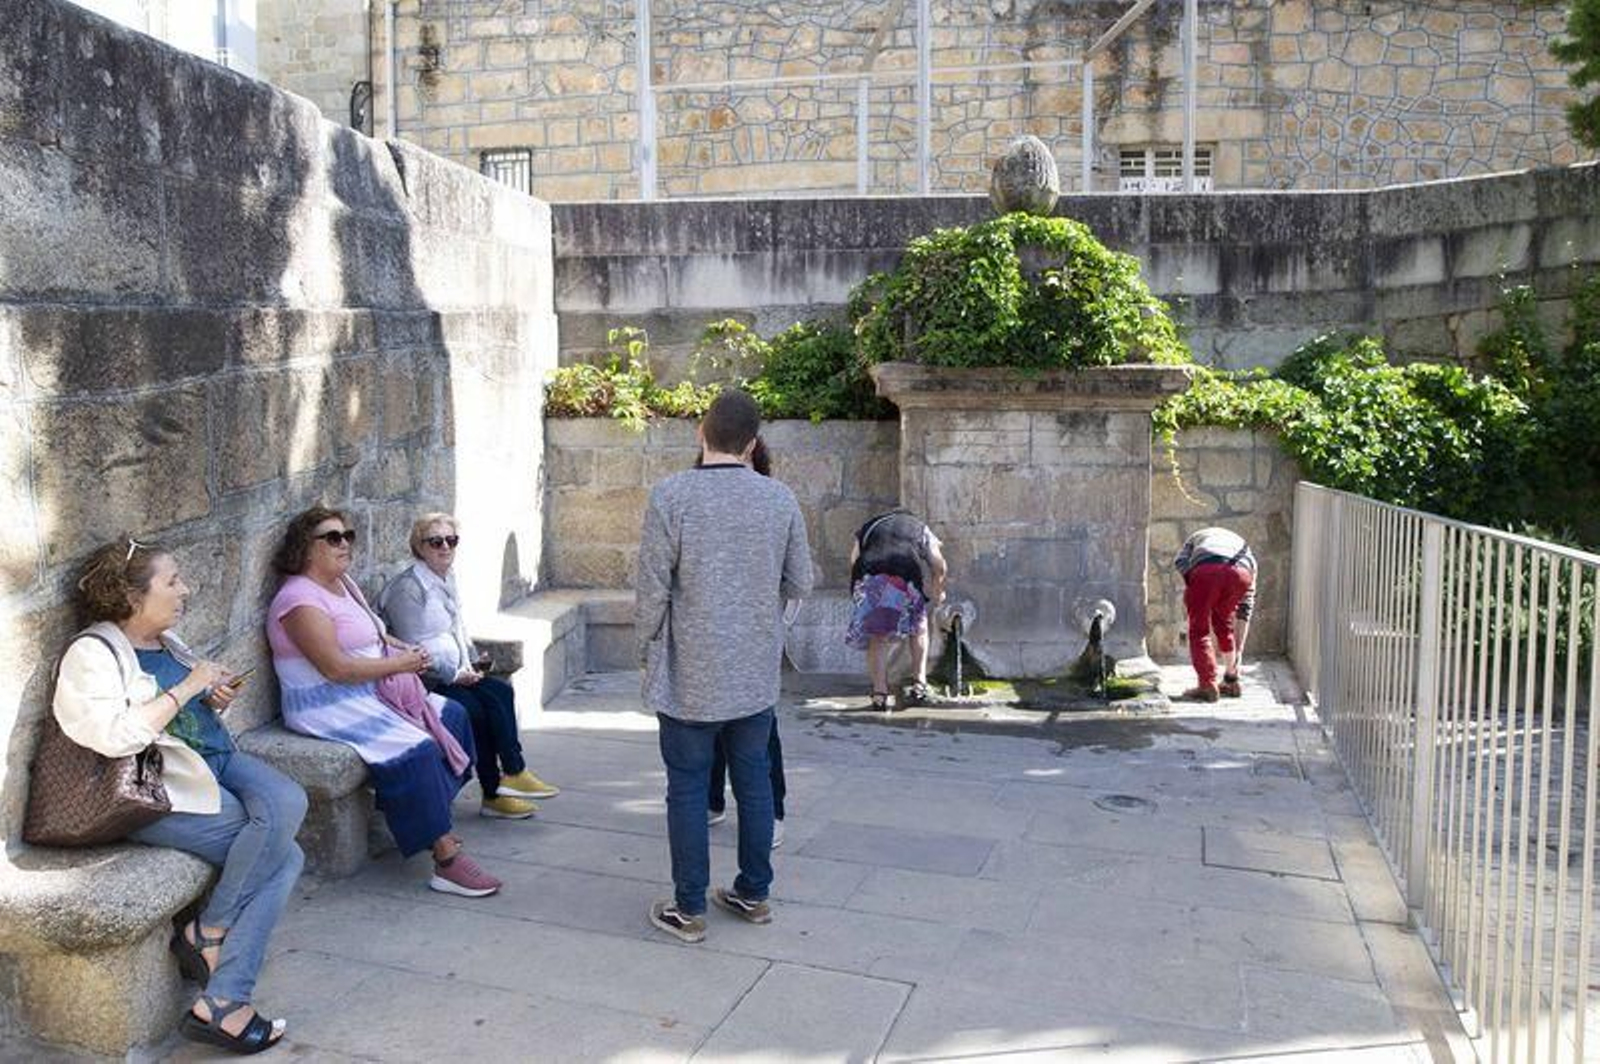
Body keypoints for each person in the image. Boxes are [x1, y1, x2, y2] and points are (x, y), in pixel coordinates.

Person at [52, 539, 304, 1054]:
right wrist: (189, 687)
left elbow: (191, 716)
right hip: (156, 791)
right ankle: (225, 1001)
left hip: (214, 763)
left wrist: (216, 697)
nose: (184, 590)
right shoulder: (91, 653)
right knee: (284, 855)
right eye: (172, 581)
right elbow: (112, 735)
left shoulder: (167, 641)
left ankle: (208, 929)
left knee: (289, 802)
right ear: (130, 596)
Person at [637, 390, 812, 943]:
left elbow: (651, 592)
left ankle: (689, 909)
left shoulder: (671, 496)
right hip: (755, 671)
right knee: (754, 782)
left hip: (690, 669)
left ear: (700, 434)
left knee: (687, 787)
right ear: (752, 444)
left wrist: (648, 649)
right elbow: (801, 581)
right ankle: (753, 894)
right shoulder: (779, 499)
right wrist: (764, 614)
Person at [266, 507, 502, 897]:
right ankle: (444, 859)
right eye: (333, 537)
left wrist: (402, 649)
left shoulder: (343, 585)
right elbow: (335, 668)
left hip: (370, 690)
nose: (345, 543)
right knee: (417, 748)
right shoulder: (298, 600)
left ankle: (423, 817)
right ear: (305, 548)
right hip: (327, 703)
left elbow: (371, 635)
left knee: (454, 715)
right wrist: (400, 664)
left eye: (348, 535)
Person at [379, 513, 559, 821]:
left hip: (456, 673)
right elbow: (410, 649)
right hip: (425, 681)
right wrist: (454, 674)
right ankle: (494, 792)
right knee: (474, 711)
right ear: (419, 547)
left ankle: (514, 774)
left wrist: (473, 661)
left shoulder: (446, 578)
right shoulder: (408, 589)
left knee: (500, 692)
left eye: (451, 540)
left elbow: (456, 628)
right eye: (436, 541)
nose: (445, 547)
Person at [701, 436, 789, 850]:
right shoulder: (700, 497)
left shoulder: (774, 502)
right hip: (711, 636)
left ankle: (773, 812)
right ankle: (712, 801)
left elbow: (795, 578)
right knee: (712, 727)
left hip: (753, 639)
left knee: (759, 733)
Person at [846, 510, 947, 709]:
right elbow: (939, 564)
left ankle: (880, 694)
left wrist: (860, 590)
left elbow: (853, 559)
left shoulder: (868, 527)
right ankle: (919, 685)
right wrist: (938, 590)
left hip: (871, 578)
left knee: (878, 636)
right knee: (919, 628)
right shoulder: (919, 527)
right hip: (904, 576)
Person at [1174, 526, 1257, 701]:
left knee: (1199, 630)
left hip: (1206, 571)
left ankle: (1207, 684)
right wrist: (1240, 649)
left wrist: (1193, 584)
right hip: (1241, 574)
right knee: (1224, 625)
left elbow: (1180, 561)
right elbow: (1245, 608)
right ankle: (1231, 679)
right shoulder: (1246, 551)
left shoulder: (1195, 536)